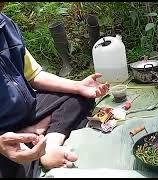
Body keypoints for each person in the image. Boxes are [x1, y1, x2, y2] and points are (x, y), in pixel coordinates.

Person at [0, 3, 109, 178]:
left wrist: (78, 86)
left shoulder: (6, 25)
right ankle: (31, 138)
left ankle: (48, 144)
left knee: (78, 96)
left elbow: (34, 75)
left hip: (27, 109)